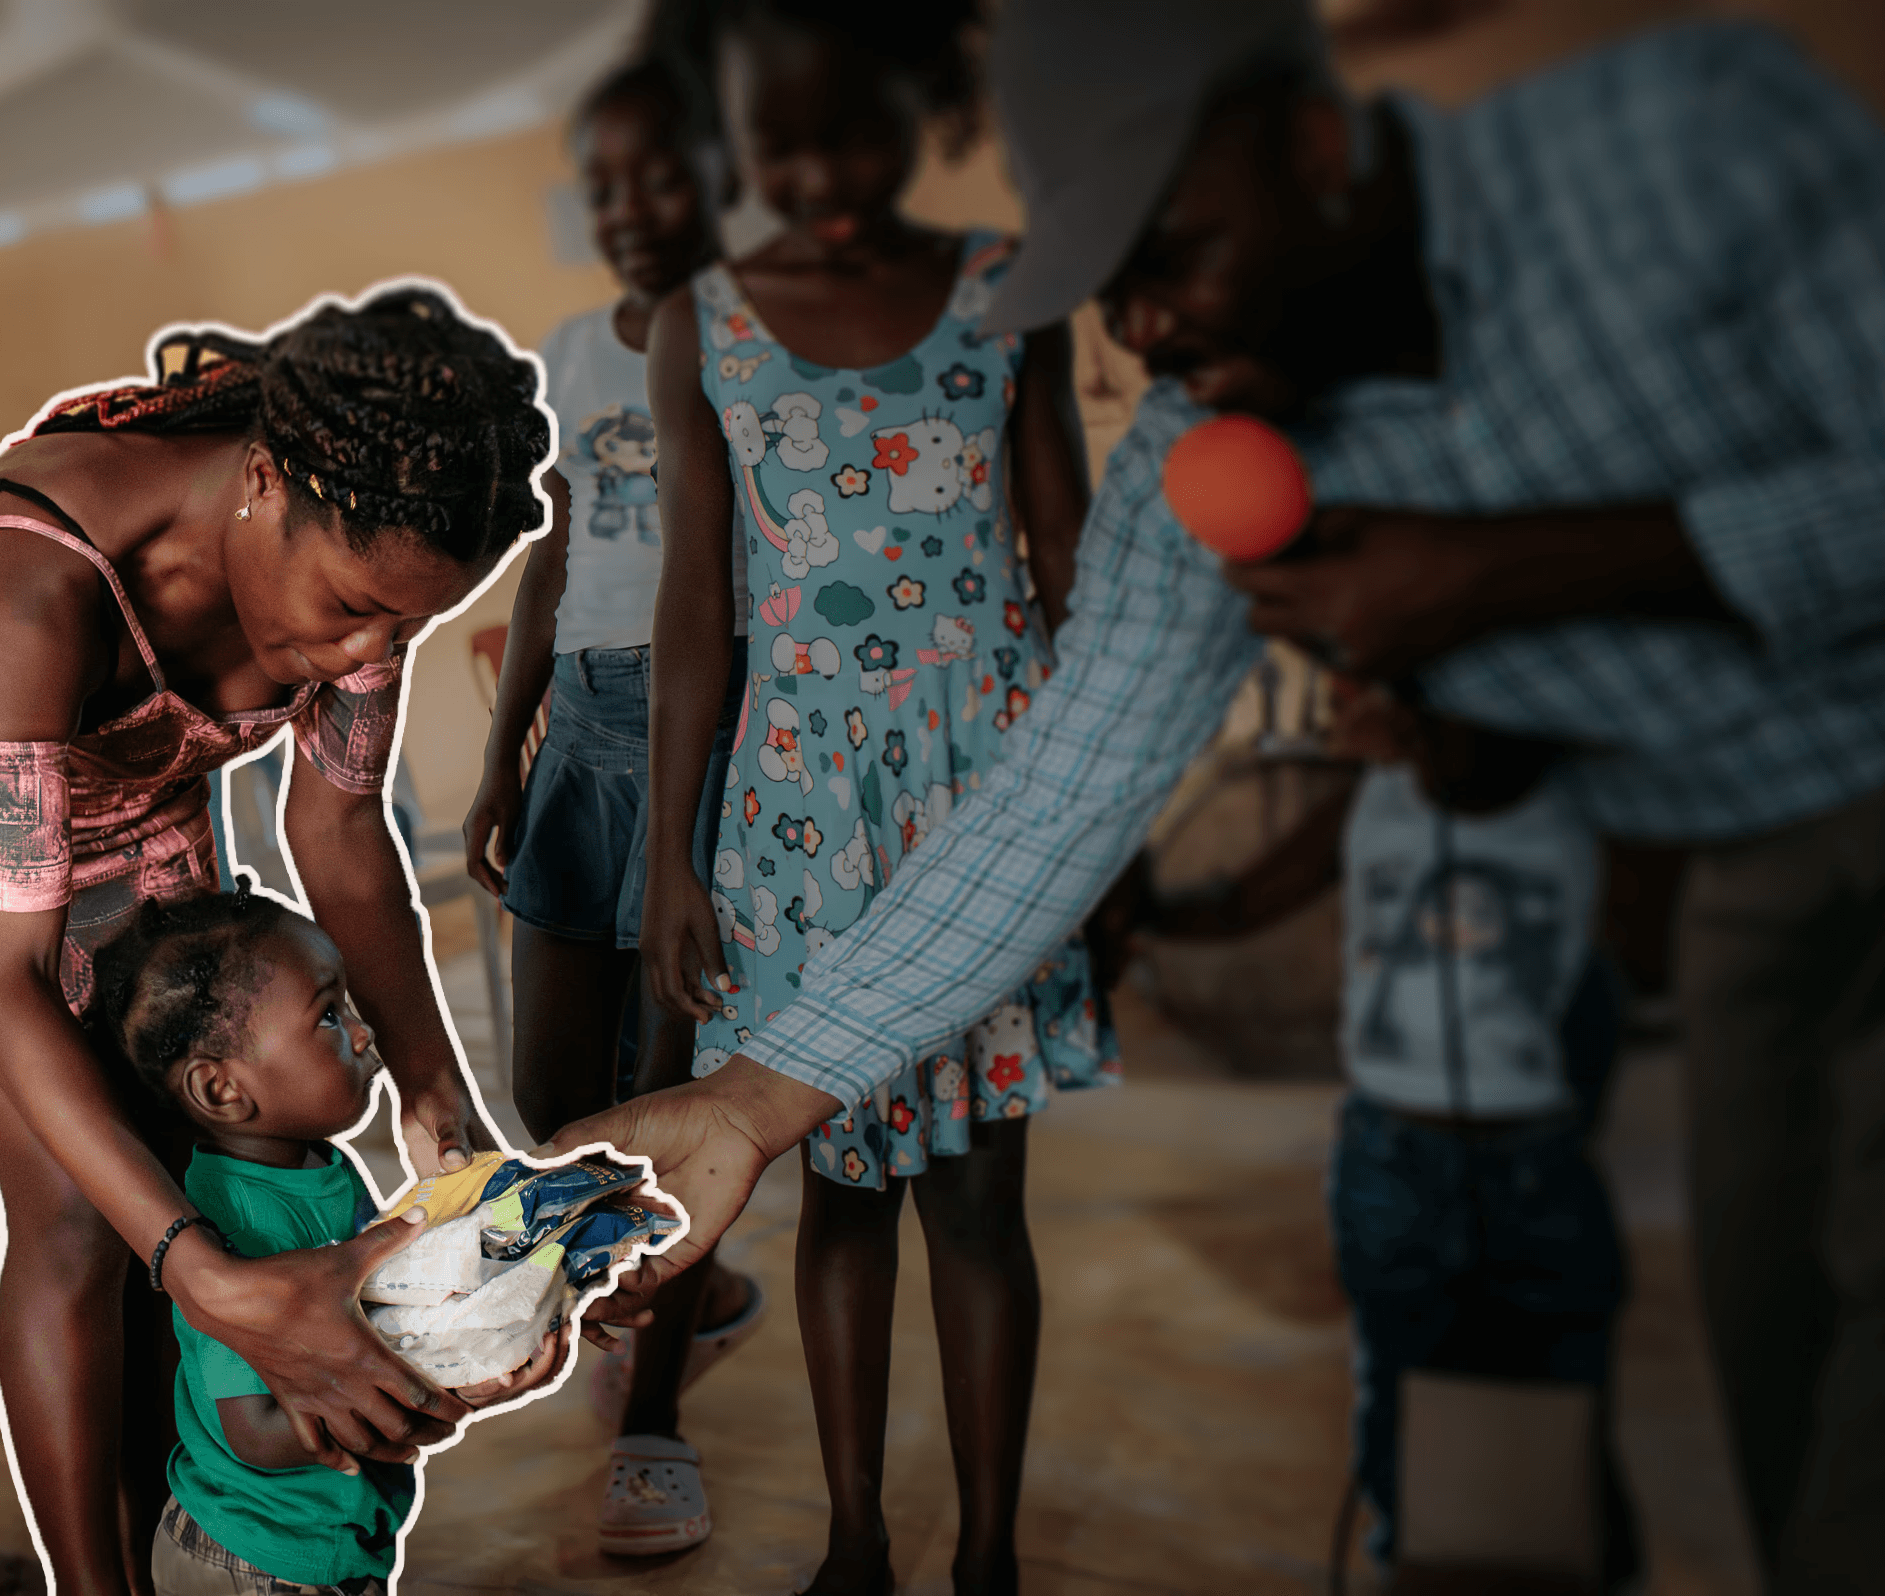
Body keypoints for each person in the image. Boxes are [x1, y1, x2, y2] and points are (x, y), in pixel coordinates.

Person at [563, 5, 1885, 1588]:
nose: (1151, 331)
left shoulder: (1683, 141)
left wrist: (1503, 579)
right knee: (1791, 1374)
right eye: (1114, 287)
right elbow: (1063, 780)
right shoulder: (1207, 437)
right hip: (1755, 880)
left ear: (1313, 147)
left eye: (1170, 253)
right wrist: (754, 1098)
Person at [0, 286, 547, 1595]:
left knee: (204, 1158)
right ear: (268, 484)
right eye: (353, 609)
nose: (365, 652)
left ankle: (184, 1522)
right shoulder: (36, 586)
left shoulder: (365, 562)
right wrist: (211, 1284)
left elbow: (338, 837)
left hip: (148, 810)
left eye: (405, 627)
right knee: (75, 1217)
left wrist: (436, 1104)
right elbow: (6, 980)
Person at [636, 4, 1111, 1589]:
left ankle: (987, 1553)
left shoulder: (1005, 292)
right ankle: (856, 1540)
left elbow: (1072, 562)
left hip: (991, 800)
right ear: (734, 140)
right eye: (782, 148)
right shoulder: (701, 320)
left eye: (855, 134)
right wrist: (671, 860)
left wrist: (1095, 821)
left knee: (977, 1204)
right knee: (836, 1197)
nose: (823, 177)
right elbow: (695, 609)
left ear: (923, 105)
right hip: (794, 823)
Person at [459, 56, 761, 1557]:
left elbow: (719, 582)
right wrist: (504, 755)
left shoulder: (762, 344)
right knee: (550, 1097)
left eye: (666, 177)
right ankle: (684, 1300)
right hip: (580, 724)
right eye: (611, 185)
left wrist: (686, 827)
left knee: (667, 1087)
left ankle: (655, 1421)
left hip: (709, 730)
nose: (635, 210)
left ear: (727, 179)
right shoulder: (577, 347)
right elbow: (556, 564)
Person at [1139, 685, 1639, 1587]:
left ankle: (1574, 1553)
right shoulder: (1369, 798)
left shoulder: (1588, 799)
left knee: (1555, 1399)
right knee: (1401, 1400)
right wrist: (1139, 901)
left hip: (1537, 1153)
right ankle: (1408, 1556)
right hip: (1394, 1152)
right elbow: (1243, 899)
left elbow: (1629, 974)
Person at [86, 886, 564, 1596]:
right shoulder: (235, 1227)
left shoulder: (319, 1167)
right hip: (258, 1563)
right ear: (221, 1090)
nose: (367, 1033)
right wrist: (437, 1391)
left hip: (316, 1548)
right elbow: (254, 1430)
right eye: (330, 1015)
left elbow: (385, 1312)